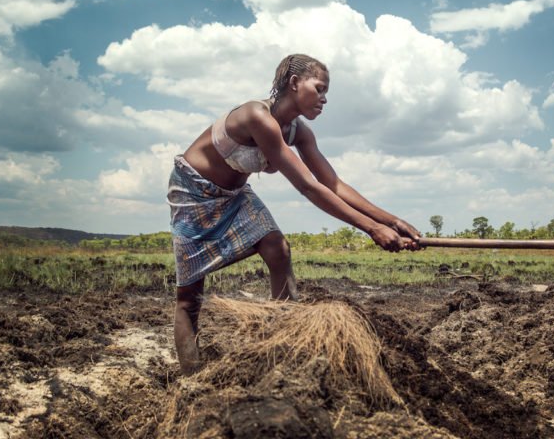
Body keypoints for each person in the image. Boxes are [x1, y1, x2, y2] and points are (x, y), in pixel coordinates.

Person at [167, 54, 421, 374]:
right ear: (294, 83)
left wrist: (392, 221)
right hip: (193, 193)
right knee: (189, 297)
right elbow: (308, 187)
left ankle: (284, 339)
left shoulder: (298, 132)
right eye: (320, 88)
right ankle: (192, 380)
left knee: (277, 247)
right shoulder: (256, 116)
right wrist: (371, 229)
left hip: (233, 196)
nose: (325, 99)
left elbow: (333, 184)